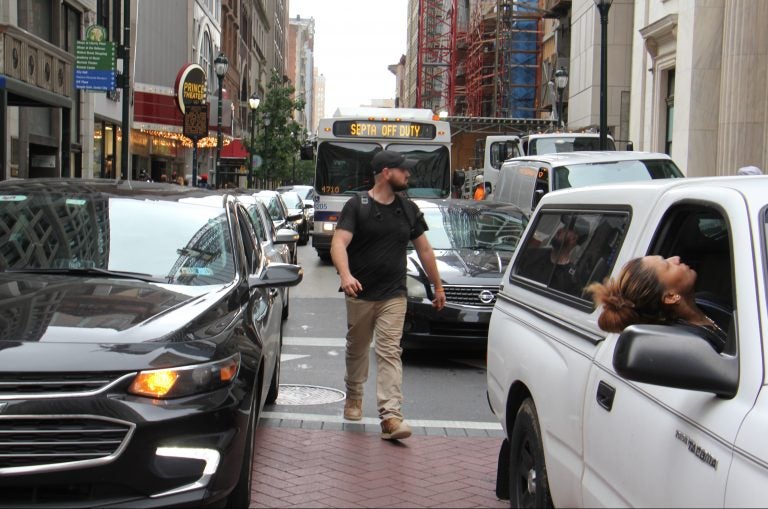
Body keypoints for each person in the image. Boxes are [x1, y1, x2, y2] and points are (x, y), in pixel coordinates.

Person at [331, 150, 446, 441]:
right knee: (357, 350)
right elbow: (338, 244)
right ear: (386, 172)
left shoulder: (408, 209)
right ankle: (354, 396)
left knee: (390, 351)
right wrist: (346, 275)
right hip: (360, 293)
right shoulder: (357, 205)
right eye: (403, 170)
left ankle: (391, 416)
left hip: (394, 293)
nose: (408, 175)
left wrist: (438, 286)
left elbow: (425, 250)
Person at [587, 255, 728, 353]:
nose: (676, 259)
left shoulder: (707, 301)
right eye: (667, 265)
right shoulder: (688, 343)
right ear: (671, 297)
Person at [517, 216, 590, 295]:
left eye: (566, 228)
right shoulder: (532, 255)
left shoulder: (572, 279)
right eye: (563, 226)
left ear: (573, 239)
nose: (560, 230)